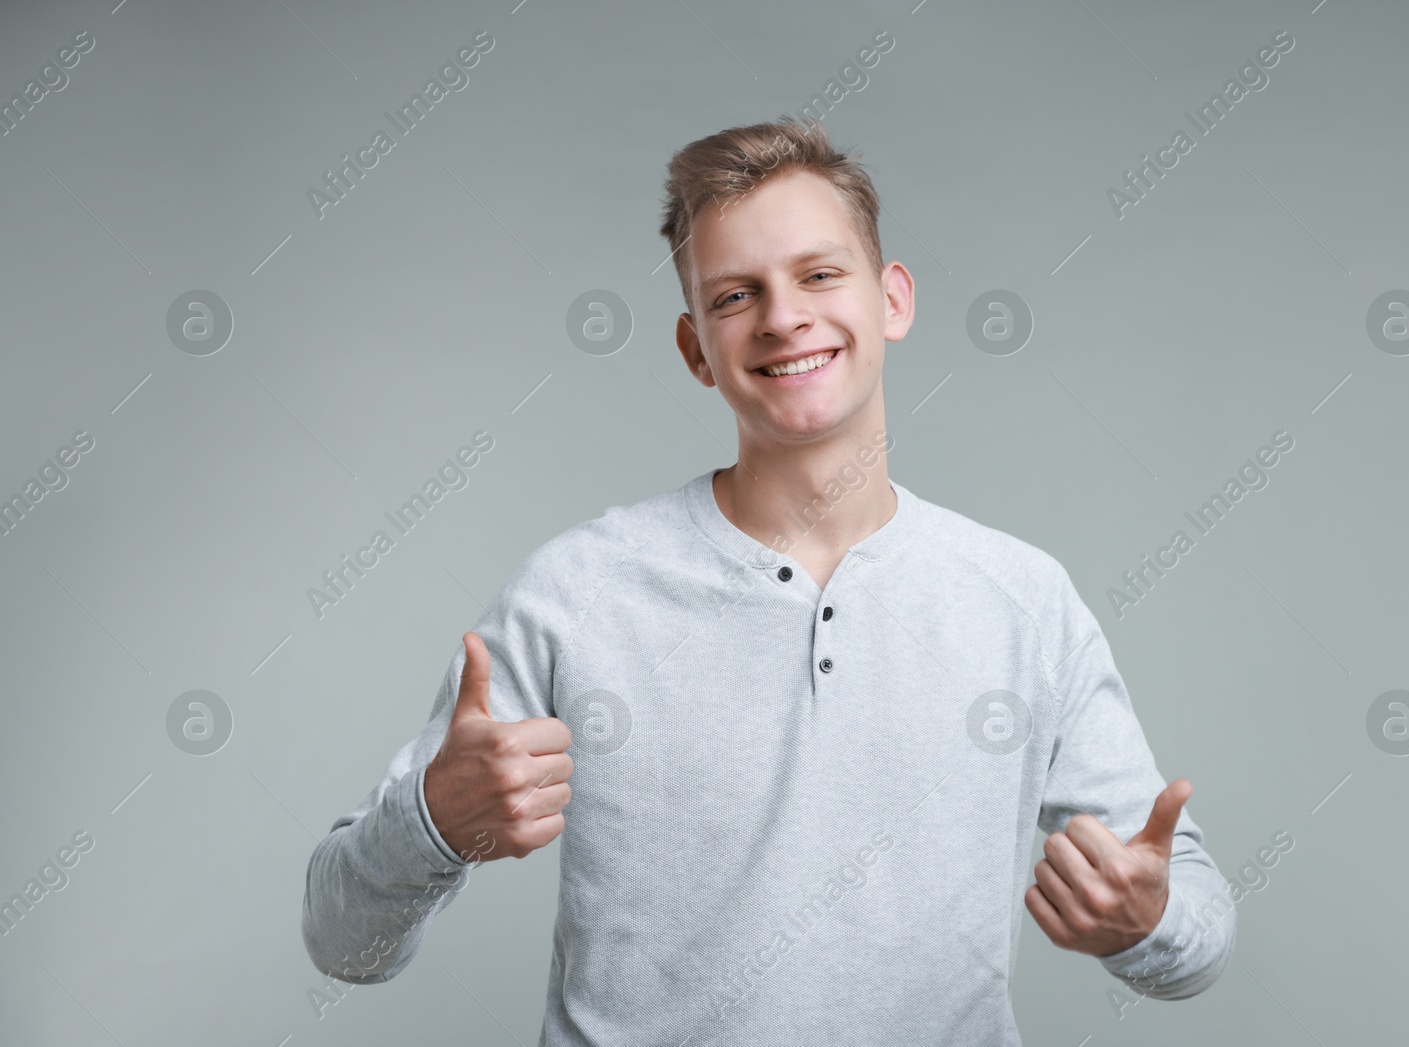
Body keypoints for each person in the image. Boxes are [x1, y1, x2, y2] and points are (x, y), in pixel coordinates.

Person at [301, 115, 1236, 1045]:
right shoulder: (577, 592)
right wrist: (431, 822)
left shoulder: (1024, 600)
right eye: (736, 295)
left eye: (820, 274)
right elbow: (343, 941)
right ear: (696, 349)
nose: (784, 316)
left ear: (893, 299)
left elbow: (1193, 920)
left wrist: (1149, 923)